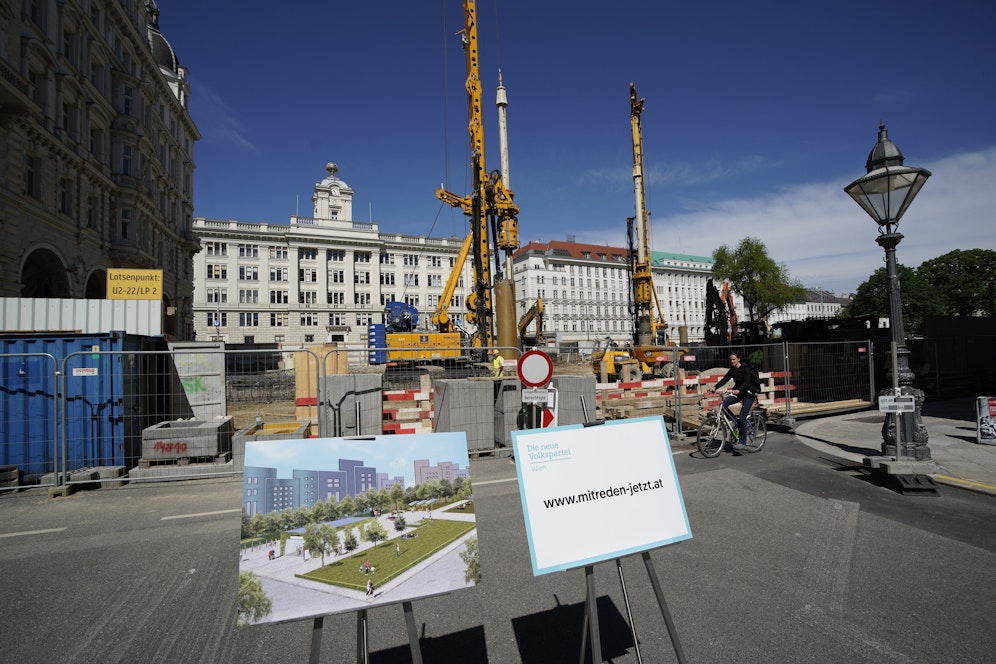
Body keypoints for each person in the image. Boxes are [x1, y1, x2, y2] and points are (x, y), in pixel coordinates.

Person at [710, 351, 760, 450]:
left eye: (734, 359)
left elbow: (746, 382)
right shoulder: (733, 369)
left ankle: (743, 442)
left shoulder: (746, 369)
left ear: (738, 359)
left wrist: (739, 390)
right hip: (738, 393)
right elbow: (726, 378)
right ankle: (737, 423)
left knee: (742, 416)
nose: (732, 361)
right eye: (730, 359)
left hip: (748, 394)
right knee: (724, 404)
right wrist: (715, 387)